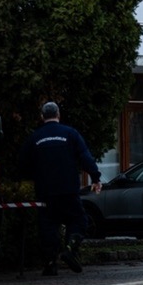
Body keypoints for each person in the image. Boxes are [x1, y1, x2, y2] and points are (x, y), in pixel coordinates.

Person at [19, 102, 102, 275]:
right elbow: (85, 157)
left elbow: (23, 164)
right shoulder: (70, 134)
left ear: (42, 117)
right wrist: (95, 178)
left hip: (45, 192)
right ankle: (70, 249)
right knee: (79, 220)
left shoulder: (35, 137)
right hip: (68, 189)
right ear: (58, 114)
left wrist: (32, 177)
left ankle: (50, 263)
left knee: (48, 225)